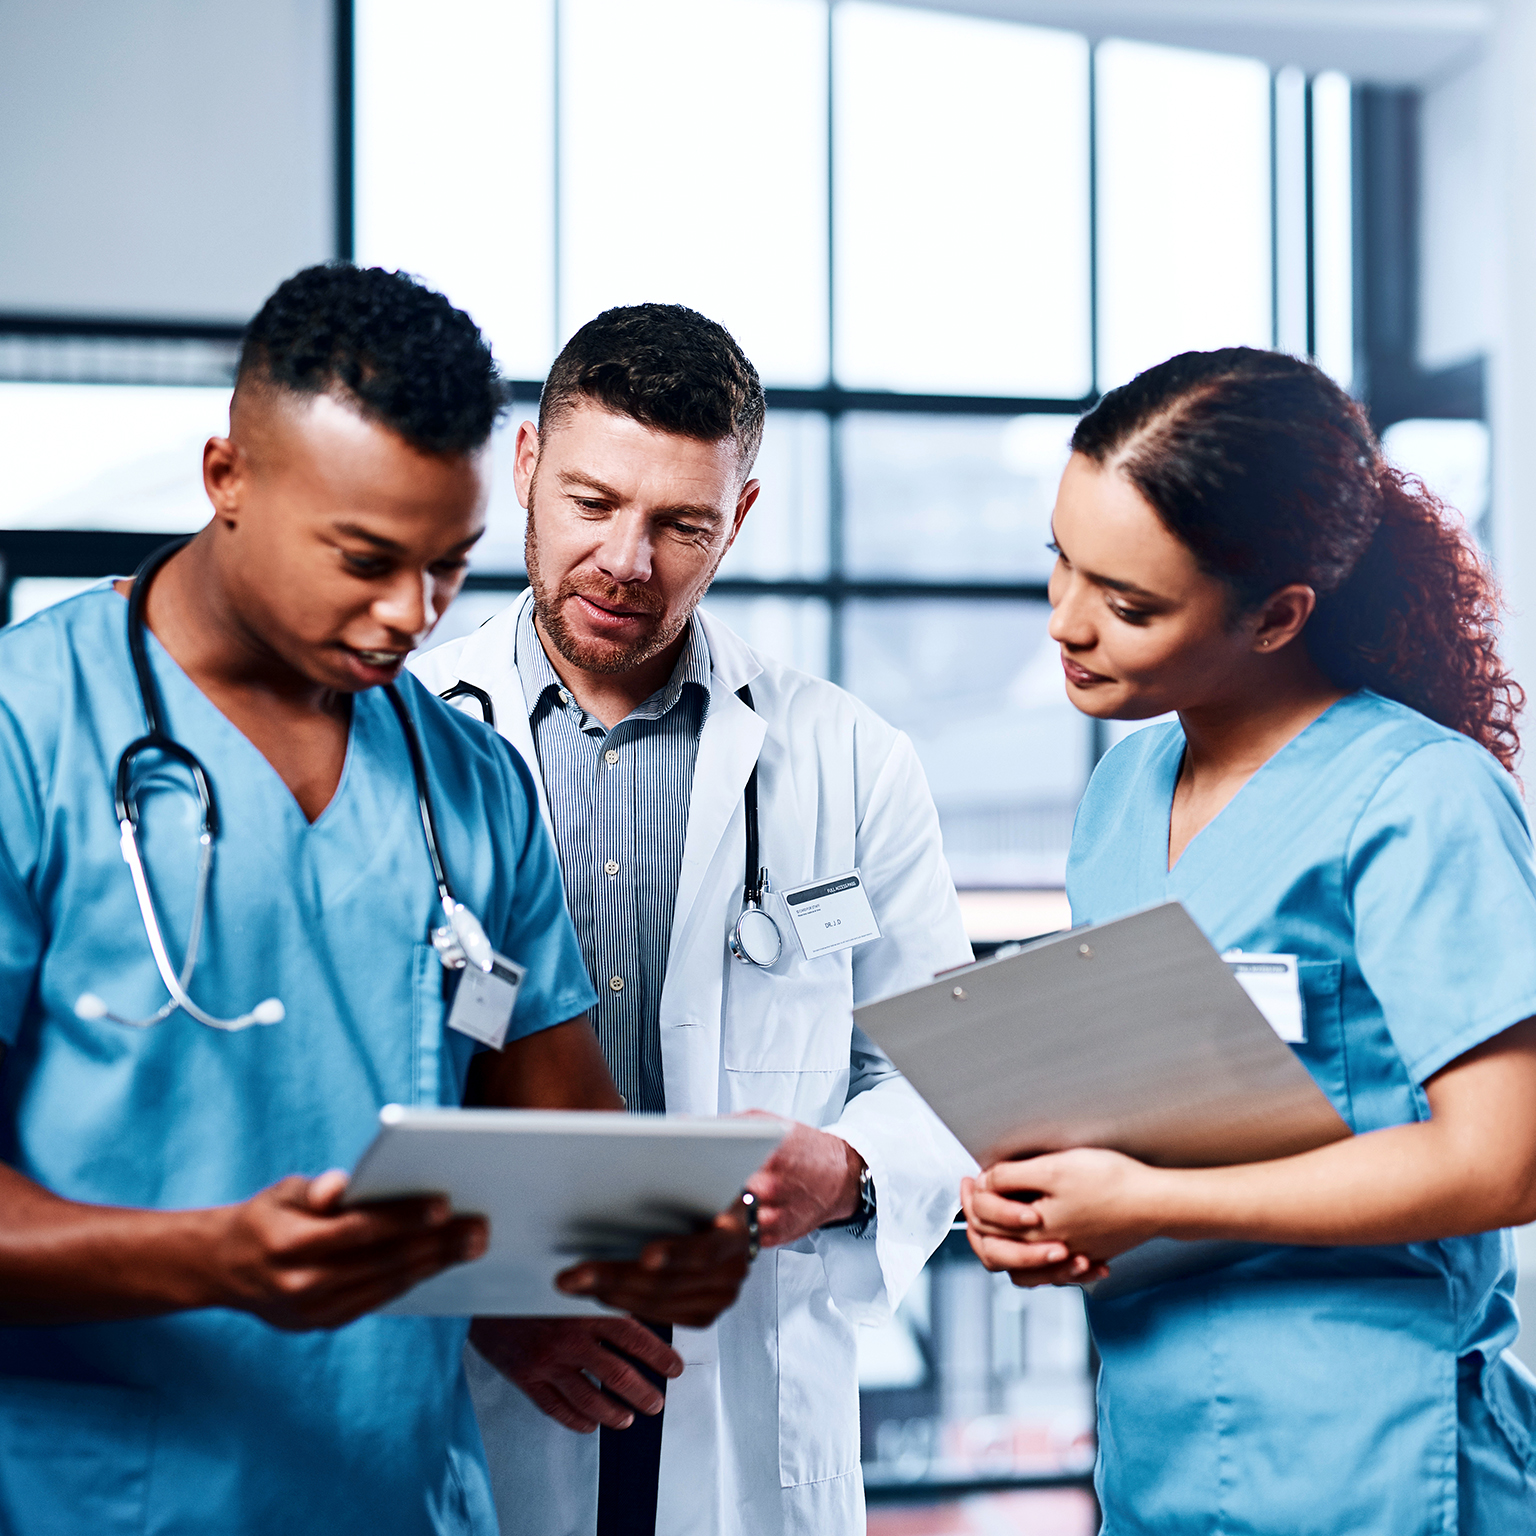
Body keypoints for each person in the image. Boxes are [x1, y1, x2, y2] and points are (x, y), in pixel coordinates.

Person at [0, 265, 750, 1536]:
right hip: (105, 1499)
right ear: (226, 476)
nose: (410, 615)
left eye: (449, 566)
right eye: (364, 559)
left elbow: (575, 1165)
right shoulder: (32, 736)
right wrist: (211, 1260)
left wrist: (657, 1241)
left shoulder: (464, 781)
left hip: (406, 1497)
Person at [412, 303, 990, 1536]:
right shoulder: (399, 735)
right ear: (524, 469)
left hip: (741, 1380)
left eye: (680, 523)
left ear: (740, 517)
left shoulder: (846, 756)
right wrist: (474, 1295)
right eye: (590, 503)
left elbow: (956, 1069)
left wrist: (851, 1167)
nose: (628, 561)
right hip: (474, 1368)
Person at [961, 347, 1536, 1531]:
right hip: (1163, 1443)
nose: (1068, 624)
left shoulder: (1419, 798)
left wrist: (1150, 1201)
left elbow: (1504, 1163)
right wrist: (1047, 1203)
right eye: (1061, 561)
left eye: (1129, 606)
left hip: (1381, 1451)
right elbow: (1140, 1118)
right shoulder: (1121, 798)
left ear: (1277, 616)